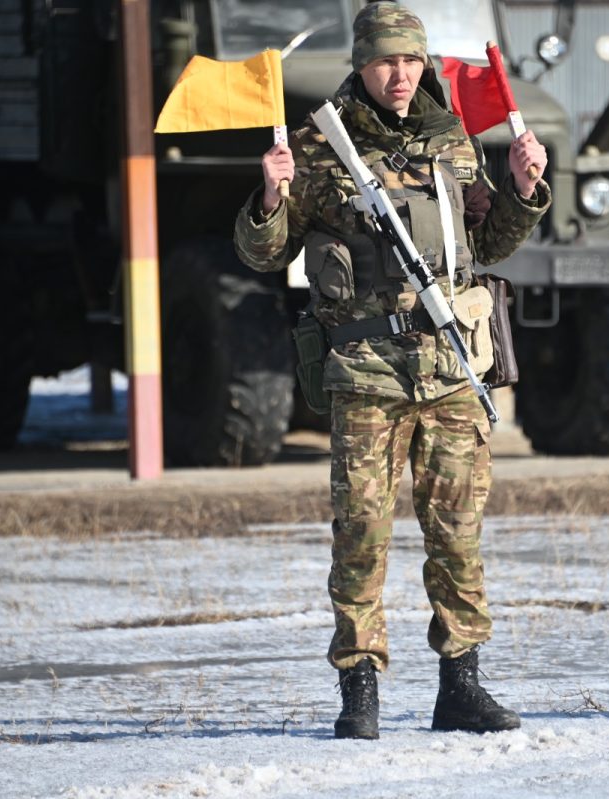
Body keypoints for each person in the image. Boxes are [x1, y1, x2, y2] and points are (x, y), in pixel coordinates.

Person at [234, 1, 549, 740]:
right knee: (363, 531)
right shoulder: (320, 146)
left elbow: (488, 246)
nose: (399, 74)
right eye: (384, 61)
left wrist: (525, 189)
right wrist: (272, 194)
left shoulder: (454, 142)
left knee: (457, 531)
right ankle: (360, 688)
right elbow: (263, 254)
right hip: (367, 370)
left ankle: (460, 686)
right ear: (361, 63)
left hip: (448, 370)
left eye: (409, 60)